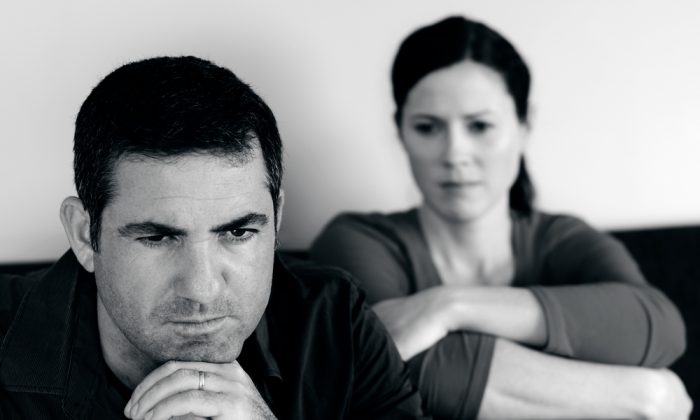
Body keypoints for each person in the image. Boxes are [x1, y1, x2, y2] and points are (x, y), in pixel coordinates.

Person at [0, 56, 427, 419]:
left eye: (238, 232)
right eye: (158, 238)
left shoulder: (334, 323)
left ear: (277, 219)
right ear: (83, 235)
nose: (202, 289)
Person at [311, 16, 692, 419]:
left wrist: (449, 305)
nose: (455, 153)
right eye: (427, 127)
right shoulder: (357, 241)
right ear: (401, 131)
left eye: (480, 126)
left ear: (525, 126)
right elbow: (392, 361)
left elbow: (660, 328)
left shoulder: (562, 237)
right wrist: (643, 396)